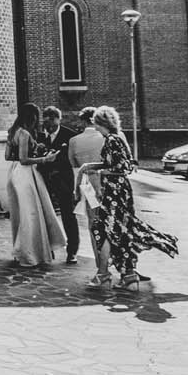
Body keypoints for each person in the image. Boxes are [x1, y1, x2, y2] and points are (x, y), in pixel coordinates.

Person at [78, 106, 177, 292]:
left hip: (115, 191)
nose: (95, 127)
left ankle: (103, 274)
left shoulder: (111, 140)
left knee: (105, 229)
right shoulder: (114, 139)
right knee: (120, 230)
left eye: (96, 124)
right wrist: (91, 166)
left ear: (101, 123)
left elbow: (123, 167)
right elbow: (118, 163)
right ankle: (128, 275)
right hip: (117, 189)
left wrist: (99, 170)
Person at [5, 104, 67, 267]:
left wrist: (35, 150)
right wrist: (44, 159)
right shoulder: (24, 133)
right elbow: (24, 159)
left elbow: (8, 156)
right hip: (26, 174)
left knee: (22, 212)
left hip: (14, 172)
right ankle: (29, 252)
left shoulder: (12, 132)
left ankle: (22, 251)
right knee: (31, 213)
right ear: (31, 117)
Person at [66, 108, 110, 285]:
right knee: (113, 222)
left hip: (88, 185)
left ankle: (100, 265)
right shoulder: (109, 137)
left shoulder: (75, 141)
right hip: (109, 184)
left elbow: (73, 163)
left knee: (94, 225)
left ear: (83, 122)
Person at [35, 107, 79, 261]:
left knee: (68, 215)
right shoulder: (38, 136)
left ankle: (72, 250)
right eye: (47, 122)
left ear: (58, 120)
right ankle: (47, 248)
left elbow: (73, 160)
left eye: (53, 121)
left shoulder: (70, 136)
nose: (49, 126)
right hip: (44, 180)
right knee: (44, 214)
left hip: (63, 181)